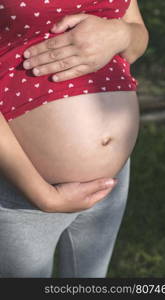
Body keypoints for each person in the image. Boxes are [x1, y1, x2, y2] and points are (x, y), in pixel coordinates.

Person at [0, 0, 148, 278]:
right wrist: (45, 196)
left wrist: (121, 34)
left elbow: (137, 34)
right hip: (22, 184)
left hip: (111, 184)